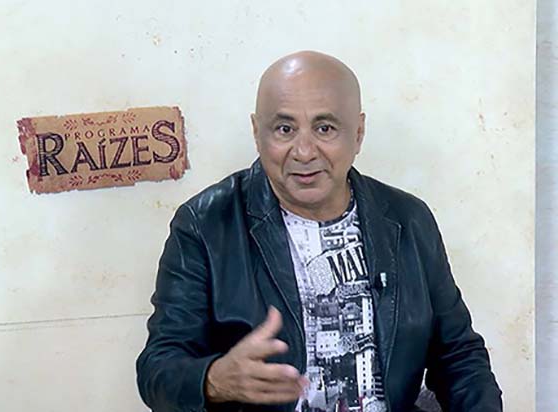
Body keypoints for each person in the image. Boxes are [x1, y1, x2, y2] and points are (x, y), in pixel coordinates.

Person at [136, 51, 503, 412]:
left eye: (324, 128)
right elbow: (157, 370)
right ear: (257, 132)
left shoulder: (409, 219)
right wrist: (213, 380)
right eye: (285, 129)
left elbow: (458, 355)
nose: (304, 151)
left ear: (358, 133)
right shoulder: (205, 225)